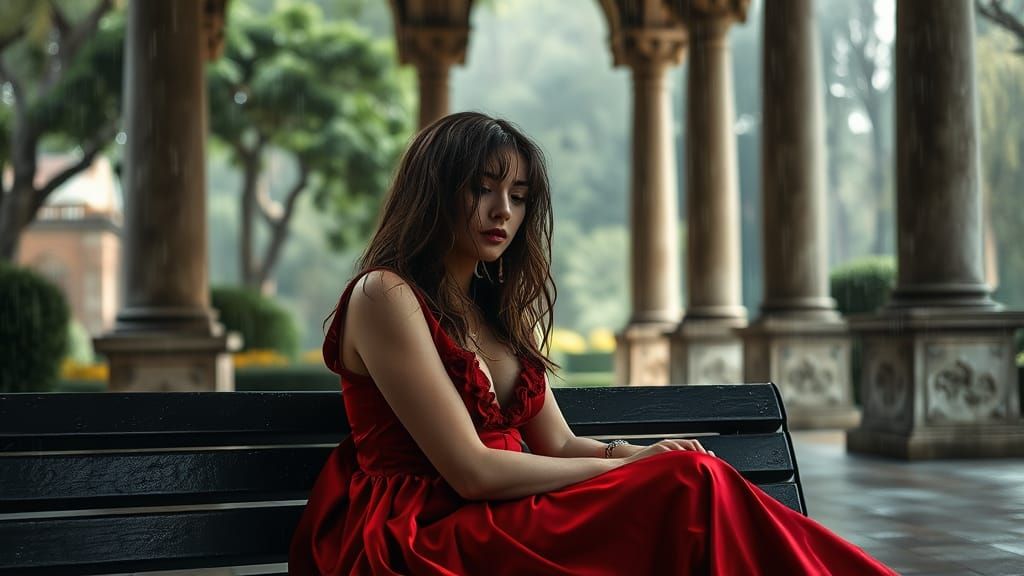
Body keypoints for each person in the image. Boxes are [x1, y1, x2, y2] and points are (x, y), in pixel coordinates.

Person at [289, 112, 896, 575]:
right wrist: (642, 471)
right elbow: (470, 471)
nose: (502, 211)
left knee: (690, 475)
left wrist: (638, 454)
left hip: (504, 508)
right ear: (435, 191)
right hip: (426, 529)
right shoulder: (384, 296)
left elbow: (557, 443)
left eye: (520, 197)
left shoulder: (494, 310)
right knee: (688, 488)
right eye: (482, 188)